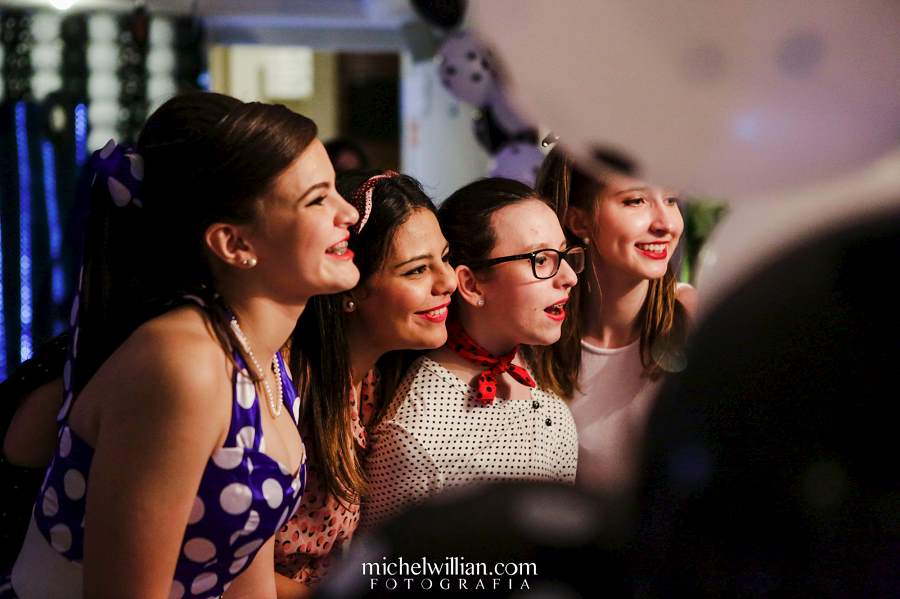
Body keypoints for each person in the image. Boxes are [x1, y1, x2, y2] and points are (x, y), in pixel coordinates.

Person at [1, 91, 360, 599]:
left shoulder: (263, 360)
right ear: (234, 243)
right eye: (318, 199)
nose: (349, 213)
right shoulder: (181, 363)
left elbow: (248, 585)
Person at [273, 171, 457, 596]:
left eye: (445, 257)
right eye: (416, 270)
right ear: (348, 288)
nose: (447, 281)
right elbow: (233, 572)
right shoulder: (286, 387)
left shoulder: (378, 377)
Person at [361, 178, 581, 530]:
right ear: (471, 284)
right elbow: (386, 559)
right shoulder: (418, 432)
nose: (568, 277)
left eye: (565, 255)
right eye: (541, 259)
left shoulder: (537, 373)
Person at [533, 147, 696, 492]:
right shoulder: (534, 336)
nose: (666, 224)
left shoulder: (695, 318)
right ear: (579, 221)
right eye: (636, 201)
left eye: (671, 199)